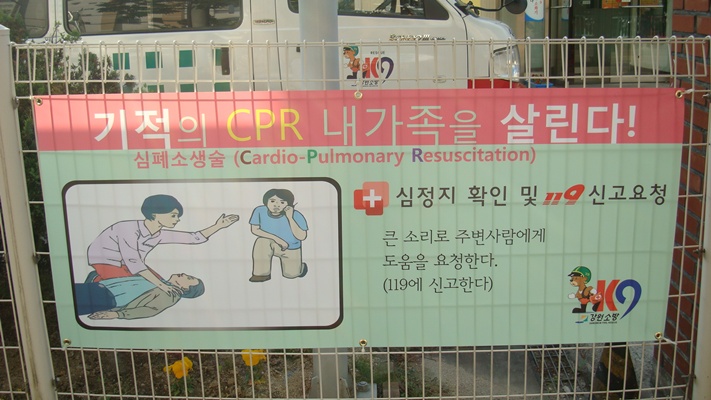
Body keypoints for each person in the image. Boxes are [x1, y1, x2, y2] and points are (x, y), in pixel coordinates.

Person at [86, 194, 238, 296]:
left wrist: (218, 226)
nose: (177, 219)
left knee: (160, 283)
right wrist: (161, 286)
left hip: (127, 264)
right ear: (155, 214)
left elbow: (192, 238)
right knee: (136, 285)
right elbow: (134, 261)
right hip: (105, 259)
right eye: (173, 215)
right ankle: (96, 280)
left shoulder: (158, 234)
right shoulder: (128, 229)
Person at [76, 273, 205, 320]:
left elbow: (150, 310)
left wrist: (117, 314)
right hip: (99, 289)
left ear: (185, 289)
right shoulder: (162, 282)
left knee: (70, 304)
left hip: (105, 296)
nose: (184, 274)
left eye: (189, 278)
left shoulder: (170, 294)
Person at [248, 189, 308, 282]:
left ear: (288, 204)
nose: (276, 205)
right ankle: (261, 274)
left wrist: (290, 218)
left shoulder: (296, 215)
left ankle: (300, 267)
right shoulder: (259, 210)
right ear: (266, 202)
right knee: (261, 241)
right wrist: (277, 239)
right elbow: (255, 229)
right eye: (272, 201)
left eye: (282, 202)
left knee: (291, 275)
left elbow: (302, 237)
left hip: (290, 247)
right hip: (269, 243)